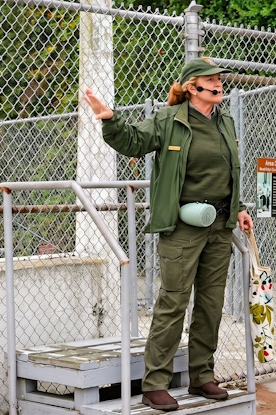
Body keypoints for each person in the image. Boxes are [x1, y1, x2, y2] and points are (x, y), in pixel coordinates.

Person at [83, 57, 254, 411]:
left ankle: (202, 376)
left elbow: (227, 171)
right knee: (173, 302)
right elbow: (132, 142)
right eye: (211, 81)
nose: (219, 84)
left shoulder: (226, 121)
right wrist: (110, 120)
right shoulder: (169, 120)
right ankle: (155, 384)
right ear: (192, 87)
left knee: (211, 304)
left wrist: (238, 208)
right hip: (183, 228)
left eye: (220, 79)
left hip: (220, 227)